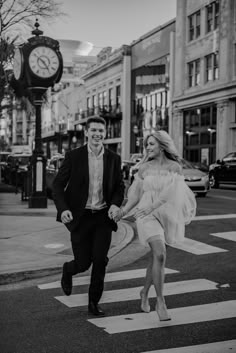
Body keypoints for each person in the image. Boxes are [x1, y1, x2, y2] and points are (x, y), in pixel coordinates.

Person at [112, 130, 196, 321]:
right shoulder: (143, 168)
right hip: (145, 215)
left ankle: (144, 292)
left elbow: (170, 194)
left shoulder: (175, 167)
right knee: (160, 253)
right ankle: (161, 302)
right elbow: (134, 195)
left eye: (151, 144)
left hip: (166, 214)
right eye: (146, 145)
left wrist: (153, 206)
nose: (147, 148)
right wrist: (123, 212)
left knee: (156, 259)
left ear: (162, 145)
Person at [52, 116, 125, 317]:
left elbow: (119, 186)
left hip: (103, 217)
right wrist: (63, 209)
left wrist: (116, 205)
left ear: (105, 133)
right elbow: (57, 185)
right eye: (93, 130)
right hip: (80, 217)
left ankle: (94, 302)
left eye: (101, 131)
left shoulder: (113, 158)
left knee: (100, 260)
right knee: (83, 263)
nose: (97, 134)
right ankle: (68, 269)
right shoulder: (73, 156)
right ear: (86, 132)